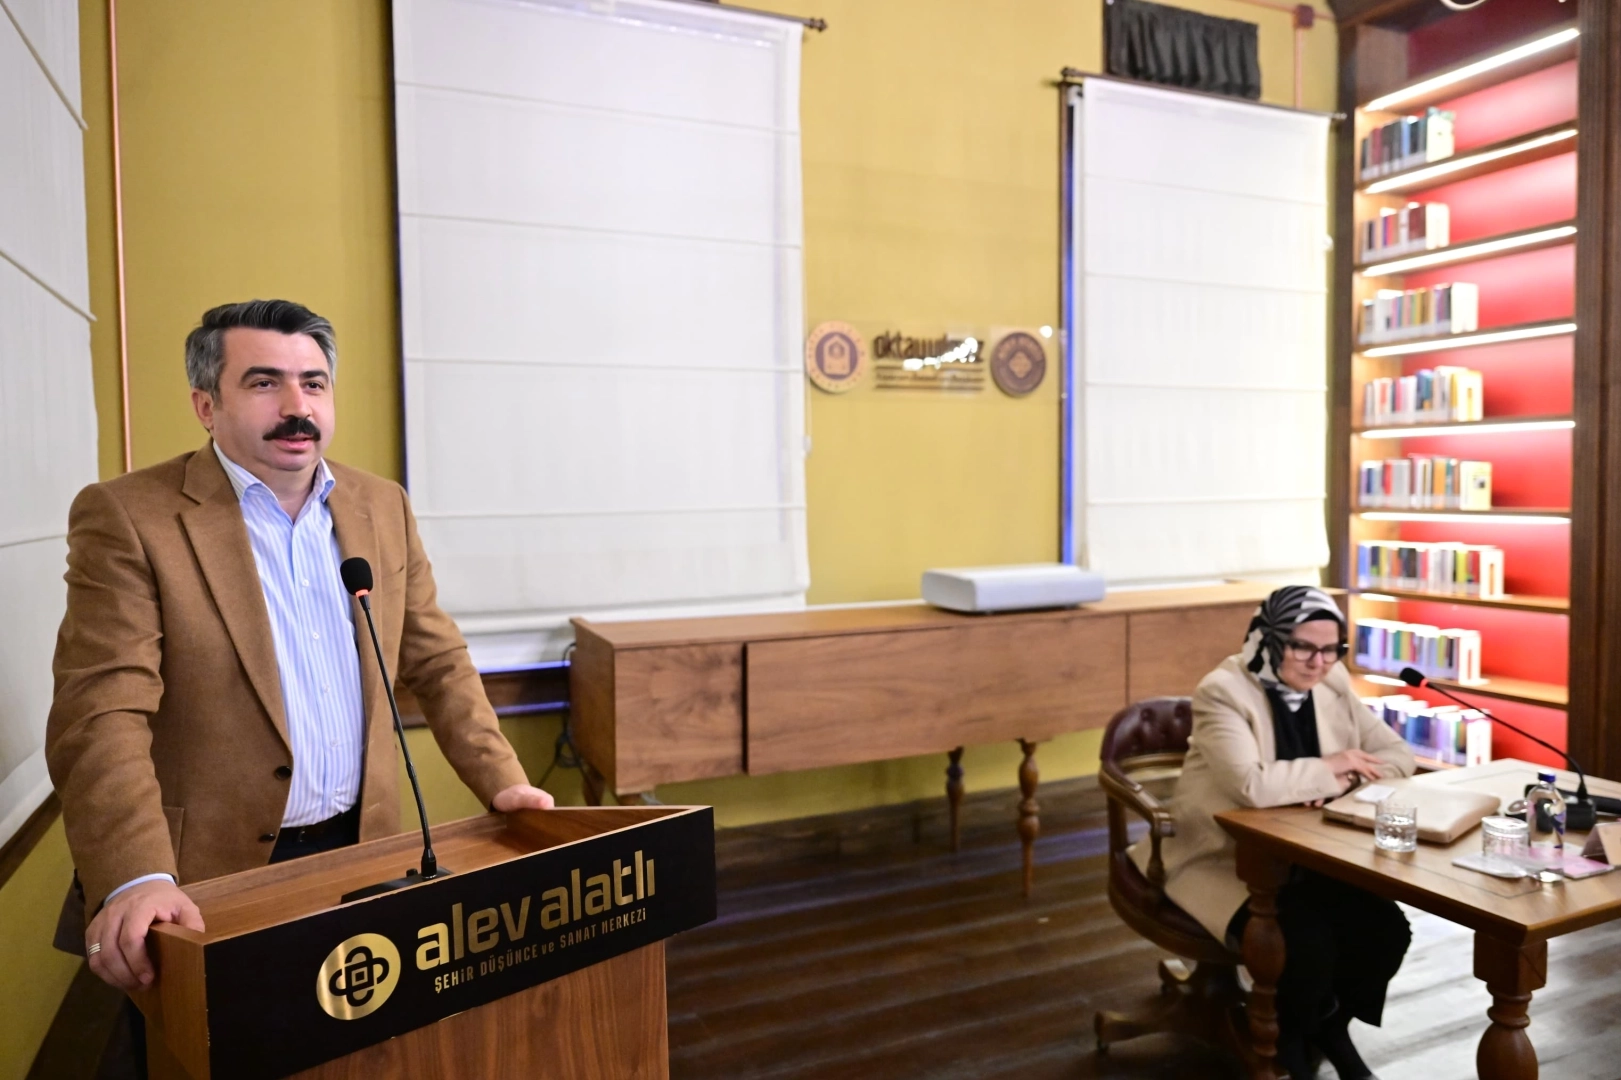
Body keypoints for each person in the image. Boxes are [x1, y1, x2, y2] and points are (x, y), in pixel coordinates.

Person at [46, 299, 556, 1005]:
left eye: (313, 383)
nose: (297, 406)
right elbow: (102, 711)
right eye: (264, 383)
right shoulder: (130, 516)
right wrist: (138, 875)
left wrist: (504, 783)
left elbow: (437, 660)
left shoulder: (381, 505)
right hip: (205, 877)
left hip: (366, 851)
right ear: (206, 404)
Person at [1132, 584, 1415, 1080]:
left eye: (1331, 649)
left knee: (1386, 932)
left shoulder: (1331, 681)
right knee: (1306, 944)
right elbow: (1251, 786)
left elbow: (1398, 756)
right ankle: (1288, 1043)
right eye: (1302, 647)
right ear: (1270, 638)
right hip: (1226, 859)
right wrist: (1332, 766)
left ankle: (1329, 1027)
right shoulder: (1223, 691)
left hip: (1314, 850)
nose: (1318, 662)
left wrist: (1342, 777)